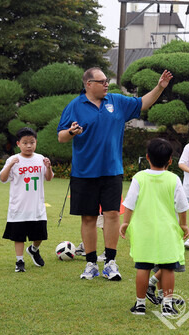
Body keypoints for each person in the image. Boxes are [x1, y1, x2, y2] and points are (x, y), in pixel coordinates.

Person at [57, 67, 173, 281]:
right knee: (89, 217)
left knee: (111, 214)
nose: (106, 84)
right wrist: (71, 132)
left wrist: (159, 87)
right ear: (88, 84)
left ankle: (110, 262)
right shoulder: (75, 106)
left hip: (111, 170)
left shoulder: (117, 101)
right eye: (101, 81)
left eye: (106, 81)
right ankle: (90, 264)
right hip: (84, 172)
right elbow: (61, 137)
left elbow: (142, 103)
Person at [119, 138, 189, 316]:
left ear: (147, 157)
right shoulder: (173, 179)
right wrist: (183, 224)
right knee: (167, 268)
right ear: (170, 161)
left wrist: (126, 222)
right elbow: (181, 206)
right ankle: (167, 304)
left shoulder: (139, 177)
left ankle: (140, 304)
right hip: (167, 232)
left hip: (144, 231)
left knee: (143, 267)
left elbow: (129, 203)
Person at [0, 128, 54, 272]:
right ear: (18, 144)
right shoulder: (13, 159)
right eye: (25, 143)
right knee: (19, 236)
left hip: (37, 207)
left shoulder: (41, 158)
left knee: (40, 235)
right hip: (19, 206)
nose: (29, 146)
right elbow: (3, 178)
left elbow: (48, 178)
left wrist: (48, 167)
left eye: (32, 142)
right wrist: (10, 165)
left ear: (36, 142)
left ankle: (34, 250)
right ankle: (19, 261)